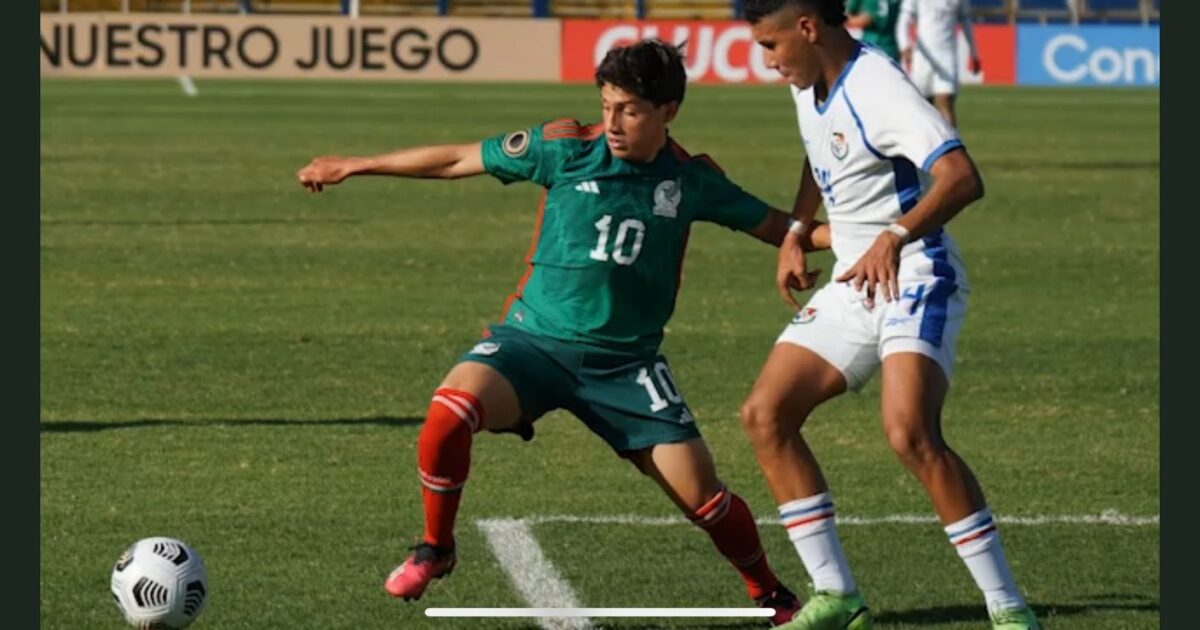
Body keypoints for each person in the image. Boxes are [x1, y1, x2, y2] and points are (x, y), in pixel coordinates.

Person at [296, 39, 832, 624]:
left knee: (705, 498)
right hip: (532, 345)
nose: (613, 123)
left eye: (629, 110)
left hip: (626, 366)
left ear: (668, 111)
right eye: (606, 106)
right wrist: (357, 164)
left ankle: (771, 596)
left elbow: (781, 227)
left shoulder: (692, 181)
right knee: (449, 412)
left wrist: (880, 237)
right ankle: (436, 548)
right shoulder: (562, 148)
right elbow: (457, 159)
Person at [741, 1, 1040, 629]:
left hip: (916, 275)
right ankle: (838, 597)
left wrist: (895, 235)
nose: (766, 61)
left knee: (909, 431)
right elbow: (818, 155)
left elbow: (962, 177)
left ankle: (1009, 609)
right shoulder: (809, 82)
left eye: (771, 46)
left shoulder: (880, 87)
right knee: (766, 416)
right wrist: (797, 230)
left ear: (807, 28)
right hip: (857, 279)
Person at [896, 0, 982, 128]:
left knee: (945, 100)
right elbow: (904, 20)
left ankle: (952, 144)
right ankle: (924, 145)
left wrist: (974, 52)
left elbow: (966, 21)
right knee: (923, 105)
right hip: (923, 58)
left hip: (947, 56)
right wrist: (904, 45)